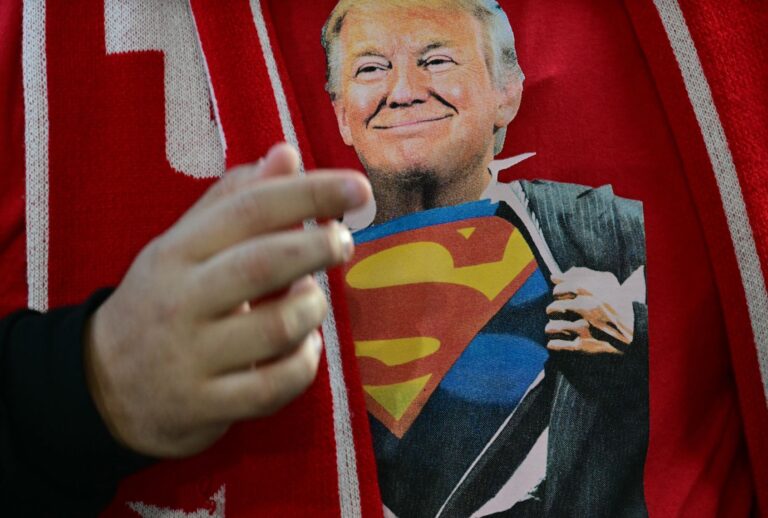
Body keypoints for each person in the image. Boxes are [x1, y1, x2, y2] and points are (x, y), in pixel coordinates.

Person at [322, 0, 647, 515]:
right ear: (342, 114)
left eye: (436, 61)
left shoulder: (612, 234)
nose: (403, 92)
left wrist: (637, 333)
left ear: (507, 93)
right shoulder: (297, 274)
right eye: (370, 68)